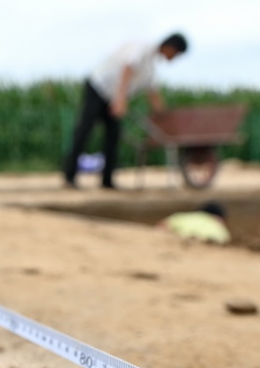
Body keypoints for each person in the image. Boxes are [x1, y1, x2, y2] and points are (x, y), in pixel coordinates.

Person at [62, 33, 189, 190]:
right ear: (171, 47)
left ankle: (107, 181)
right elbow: (127, 68)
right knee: (84, 131)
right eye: (176, 54)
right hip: (98, 87)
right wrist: (120, 100)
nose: (174, 58)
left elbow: (153, 94)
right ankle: (69, 176)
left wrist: (166, 120)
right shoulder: (142, 48)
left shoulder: (151, 67)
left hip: (112, 97)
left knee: (113, 136)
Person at [159, 201, 231, 244]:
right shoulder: (222, 230)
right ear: (219, 218)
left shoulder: (186, 216)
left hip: (179, 236)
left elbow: (162, 225)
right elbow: (223, 242)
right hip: (203, 242)